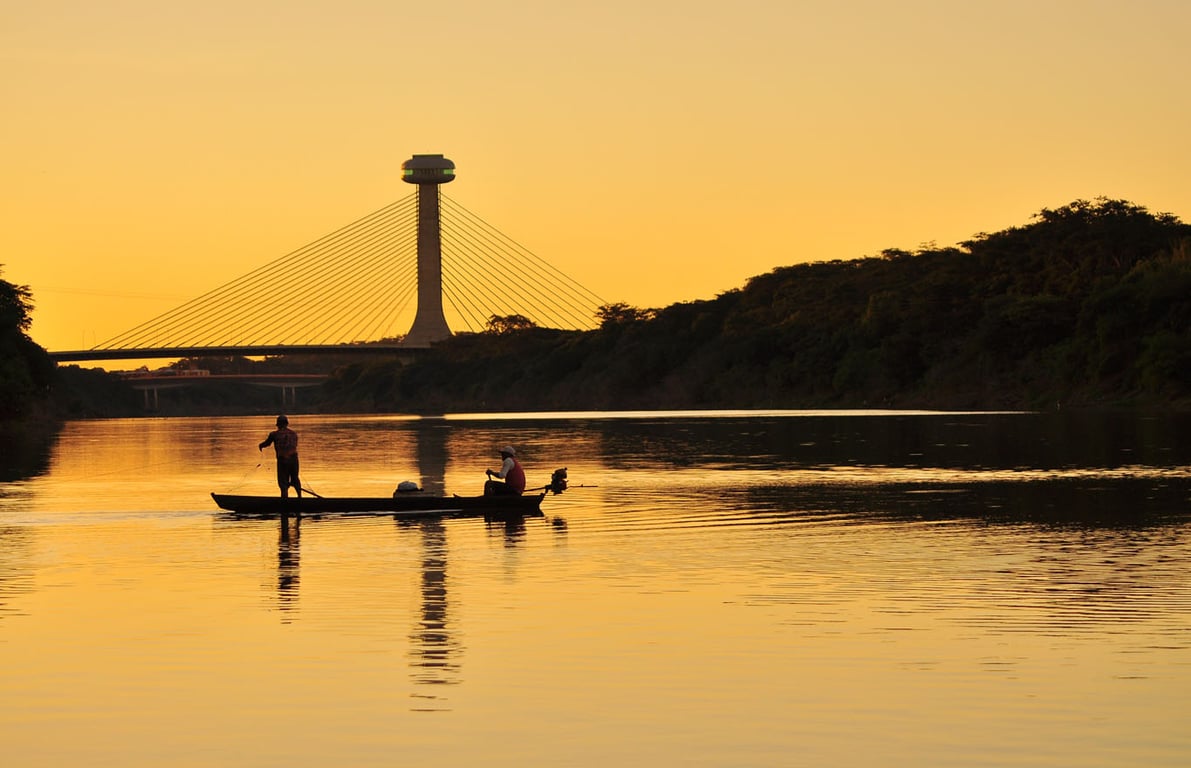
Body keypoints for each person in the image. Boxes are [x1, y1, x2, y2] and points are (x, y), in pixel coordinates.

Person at [259, 415, 302, 498]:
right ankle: (300, 498)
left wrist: (260, 445)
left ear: (278, 424)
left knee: (283, 482)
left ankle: (284, 500)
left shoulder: (274, 434)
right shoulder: (294, 434)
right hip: (294, 459)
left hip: (283, 460)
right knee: (295, 479)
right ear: (286, 424)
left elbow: (267, 443)